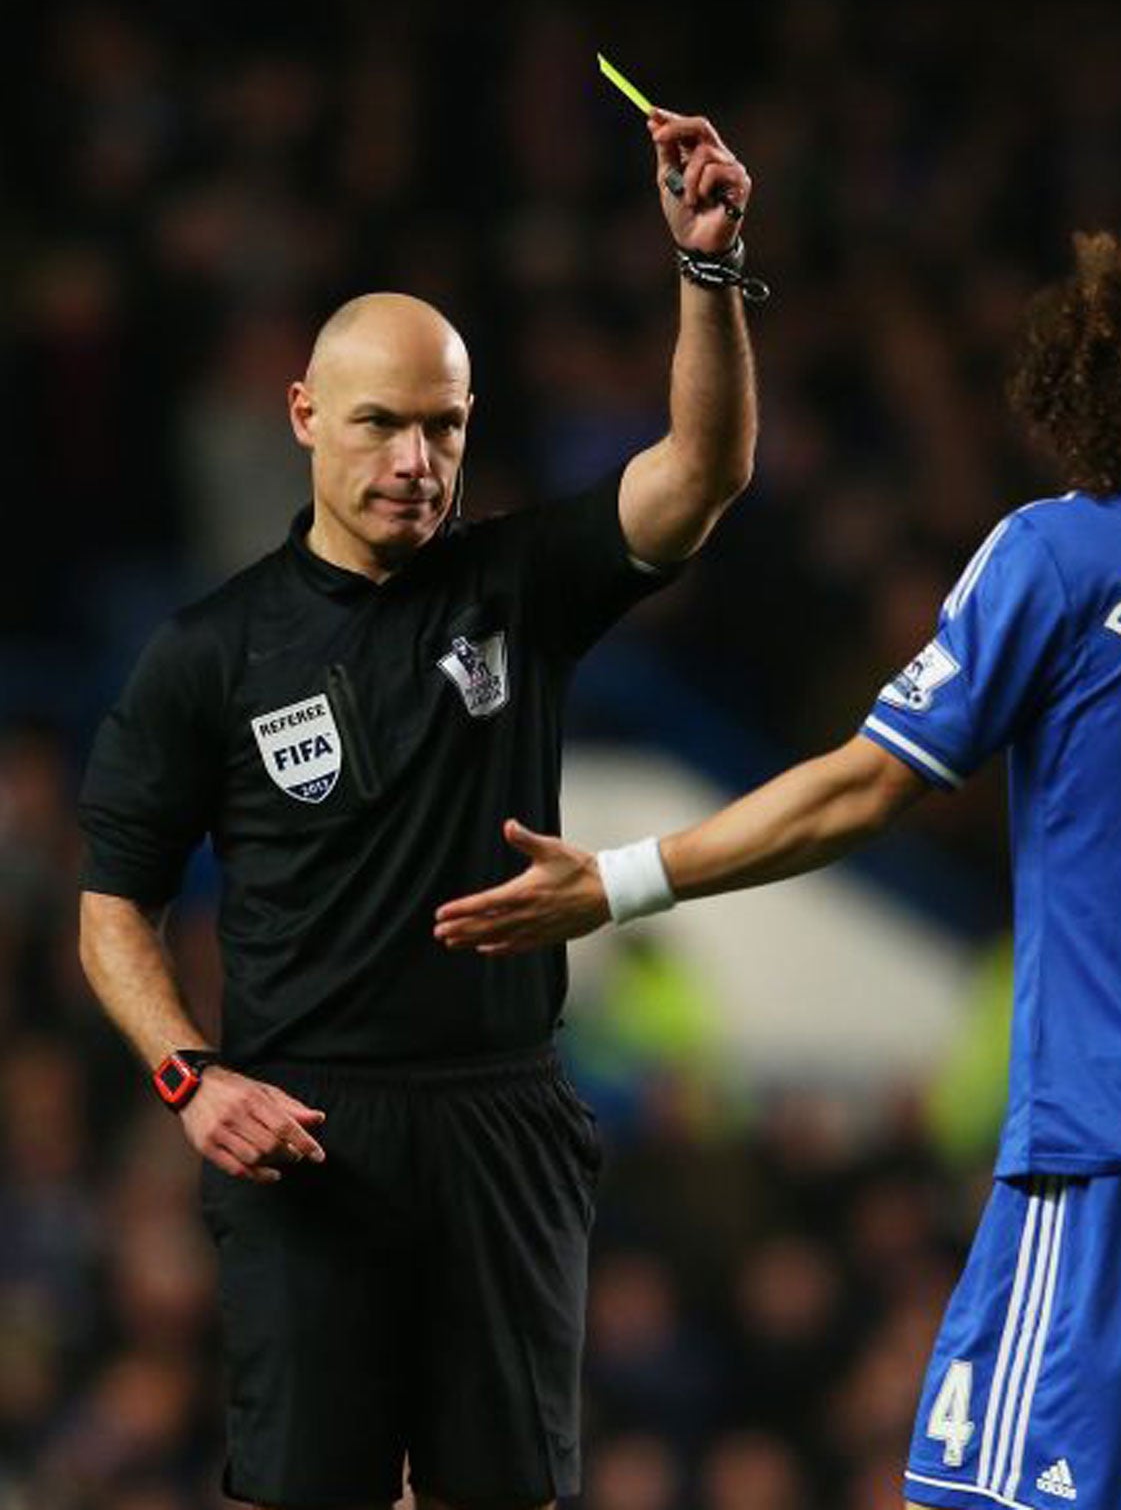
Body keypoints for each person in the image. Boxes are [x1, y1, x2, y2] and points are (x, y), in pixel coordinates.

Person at [433, 225, 1121, 1510]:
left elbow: (869, 781)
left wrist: (619, 881)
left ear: (1085, 389)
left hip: (1116, 1154)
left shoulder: (1066, 554)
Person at [75, 106, 759, 1510]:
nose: (414, 461)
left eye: (444, 428)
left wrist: (709, 273)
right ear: (305, 418)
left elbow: (702, 478)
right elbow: (110, 914)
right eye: (382, 424)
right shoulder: (212, 651)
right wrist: (187, 1077)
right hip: (306, 1131)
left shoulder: (518, 586)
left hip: (501, 1117)